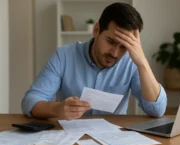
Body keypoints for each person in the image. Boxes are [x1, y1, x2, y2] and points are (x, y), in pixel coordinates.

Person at [22, 2, 167, 120]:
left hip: (114, 140)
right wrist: (56, 109)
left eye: (124, 46)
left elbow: (156, 110)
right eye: (110, 41)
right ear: (96, 30)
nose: (115, 53)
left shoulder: (132, 62)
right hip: (69, 139)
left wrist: (142, 63)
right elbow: (31, 101)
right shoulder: (64, 56)